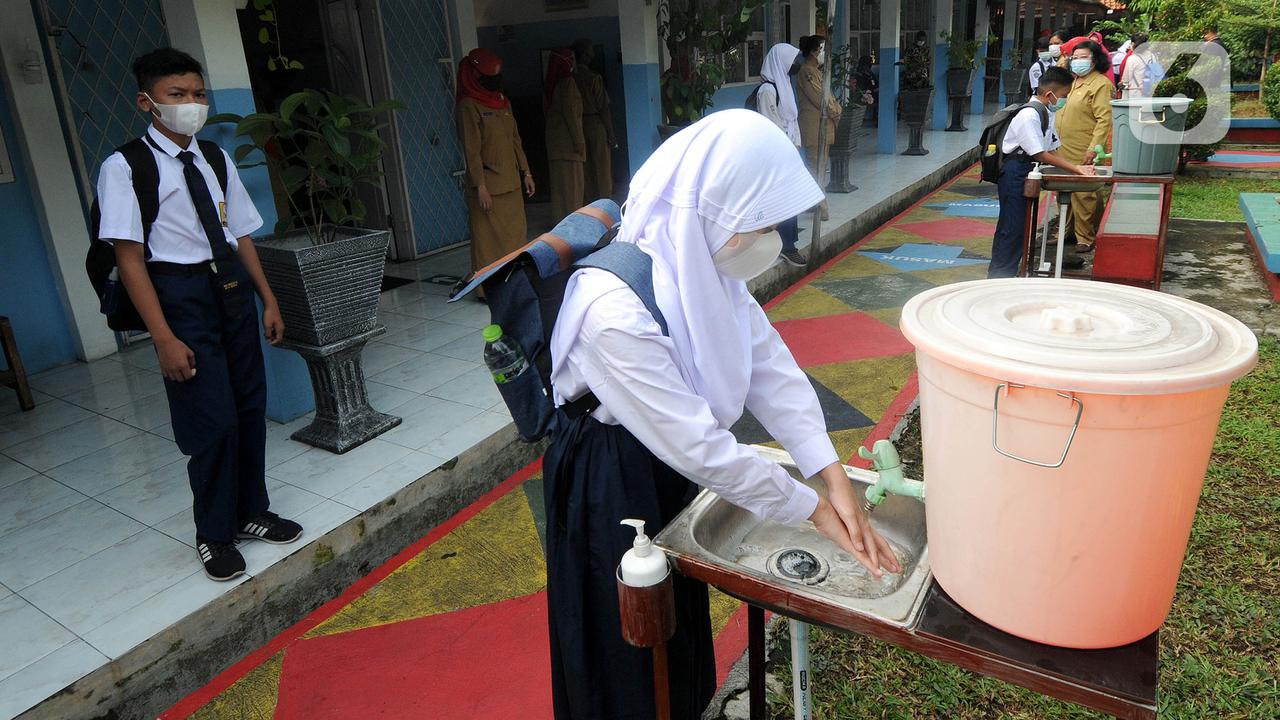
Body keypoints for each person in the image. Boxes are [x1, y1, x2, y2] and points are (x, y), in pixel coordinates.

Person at [544, 108, 900, 720]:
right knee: (623, 647)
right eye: (757, 224)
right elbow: (701, 448)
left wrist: (830, 473)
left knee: (678, 629)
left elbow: (770, 366)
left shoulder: (701, 269)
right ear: (705, 211)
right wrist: (809, 506)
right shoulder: (611, 309)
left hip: (666, 461)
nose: (770, 240)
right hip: (610, 478)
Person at [97, 48, 302, 581]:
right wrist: (162, 335)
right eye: (177, 96)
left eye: (198, 94)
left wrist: (268, 298)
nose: (191, 105)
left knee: (248, 403)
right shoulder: (125, 167)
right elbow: (129, 258)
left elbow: (241, 235)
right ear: (148, 102)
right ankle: (213, 532)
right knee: (209, 418)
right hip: (178, 294)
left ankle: (251, 510)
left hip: (230, 288)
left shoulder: (214, 157)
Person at [988, 67, 1095, 278]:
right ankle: (999, 278)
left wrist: (1076, 169)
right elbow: (1039, 154)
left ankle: (1009, 273)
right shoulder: (1029, 114)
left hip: (1027, 172)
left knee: (1019, 228)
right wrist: (1076, 169)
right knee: (1012, 228)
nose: (1063, 100)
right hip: (1015, 172)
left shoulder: (1047, 112)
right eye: (1063, 96)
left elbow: (1053, 148)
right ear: (1049, 94)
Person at [455, 48, 536, 275]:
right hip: (488, 187)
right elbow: (472, 151)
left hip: (511, 183)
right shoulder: (468, 106)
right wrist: (480, 186)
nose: (495, 81)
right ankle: (487, 286)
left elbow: (515, 140)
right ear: (475, 76)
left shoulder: (502, 102)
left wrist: (526, 172)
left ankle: (514, 279)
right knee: (487, 241)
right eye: (489, 76)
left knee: (515, 234)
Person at [753, 43, 809, 267]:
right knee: (781, 200)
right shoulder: (768, 90)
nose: (795, 64)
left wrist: (795, 148)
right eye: (792, 60)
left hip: (789, 152)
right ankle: (786, 246)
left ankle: (786, 243)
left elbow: (791, 121)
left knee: (789, 199)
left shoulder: (783, 83)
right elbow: (771, 125)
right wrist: (787, 151)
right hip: (777, 154)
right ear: (781, 61)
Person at [1057, 40, 1114, 254]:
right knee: (1063, 190)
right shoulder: (1072, 82)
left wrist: (1094, 147)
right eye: (1076, 57)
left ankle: (1086, 236)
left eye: (1084, 57)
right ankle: (1066, 231)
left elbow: (1104, 119)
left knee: (1084, 193)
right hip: (1064, 147)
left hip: (1084, 146)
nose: (1078, 61)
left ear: (1095, 60)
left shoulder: (1101, 84)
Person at [796, 35, 841, 222]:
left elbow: (828, 95)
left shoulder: (816, 71)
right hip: (815, 130)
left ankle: (814, 202)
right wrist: (836, 110)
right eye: (822, 49)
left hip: (824, 128)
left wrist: (836, 108)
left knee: (819, 166)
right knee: (817, 169)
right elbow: (820, 98)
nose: (824, 53)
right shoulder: (806, 72)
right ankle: (822, 207)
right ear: (814, 51)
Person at [572, 39, 617, 202]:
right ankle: (605, 202)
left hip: (578, 125)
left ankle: (589, 203)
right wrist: (611, 133)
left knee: (586, 168)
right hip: (596, 123)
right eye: (589, 52)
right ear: (584, 55)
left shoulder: (570, 78)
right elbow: (604, 107)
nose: (592, 55)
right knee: (602, 167)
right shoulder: (593, 78)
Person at [545, 47, 586, 221]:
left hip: (556, 146)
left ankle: (560, 225)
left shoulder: (551, 83)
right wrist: (579, 142)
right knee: (573, 190)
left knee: (560, 190)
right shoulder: (567, 83)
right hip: (569, 147)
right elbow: (571, 115)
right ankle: (573, 227)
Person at [1119, 32, 1155, 99]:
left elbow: (1126, 80)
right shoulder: (1152, 56)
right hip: (1149, 92)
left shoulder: (1132, 59)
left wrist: (1121, 84)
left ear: (1133, 44)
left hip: (1136, 94)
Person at [852, 55, 878, 126]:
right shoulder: (862, 72)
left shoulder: (868, 72)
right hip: (864, 94)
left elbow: (874, 83)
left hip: (870, 91)